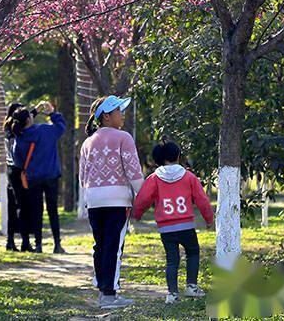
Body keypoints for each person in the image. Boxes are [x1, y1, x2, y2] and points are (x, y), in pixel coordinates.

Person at [79, 95, 143, 310]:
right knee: (114, 246)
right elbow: (133, 171)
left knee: (100, 244)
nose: (122, 114)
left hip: (94, 200)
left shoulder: (87, 142)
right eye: (119, 110)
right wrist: (142, 194)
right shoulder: (123, 138)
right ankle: (109, 294)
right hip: (117, 200)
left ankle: (102, 287)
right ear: (107, 116)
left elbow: (82, 176)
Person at [133, 140, 214, 304]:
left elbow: (142, 199)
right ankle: (191, 286)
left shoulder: (154, 178)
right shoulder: (189, 177)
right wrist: (209, 219)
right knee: (192, 252)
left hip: (166, 228)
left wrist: (137, 214)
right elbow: (202, 200)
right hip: (186, 226)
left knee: (172, 260)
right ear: (178, 155)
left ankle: (172, 294)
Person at [11, 100, 66, 254]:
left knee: (37, 211)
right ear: (29, 119)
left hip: (33, 179)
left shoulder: (19, 139)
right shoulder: (45, 130)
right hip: (51, 176)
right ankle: (57, 244)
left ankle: (39, 245)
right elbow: (61, 127)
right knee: (52, 210)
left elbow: (18, 161)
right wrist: (52, 113)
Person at [3, 102, 32, 251]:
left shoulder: (10, 128)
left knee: (14, 207)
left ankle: (14, 241)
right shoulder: (12, 131)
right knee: (21, 206)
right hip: (17, 171)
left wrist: (35, 111)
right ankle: (22, 241)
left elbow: (27, 117)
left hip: (13, 171)